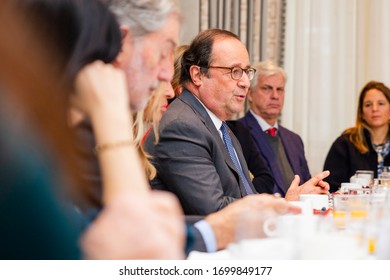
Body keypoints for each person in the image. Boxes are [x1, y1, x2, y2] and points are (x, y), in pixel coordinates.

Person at [145, 29, 330, 215]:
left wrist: (289, 201)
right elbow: (213, 209)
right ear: (198, 75)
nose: (245, 83)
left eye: (246, 72)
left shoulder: (220, 126)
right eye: (234, 71)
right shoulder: (183, 126)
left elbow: (246, 196)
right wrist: (282, 206)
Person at [239, 60, 312, 197]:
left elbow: (306, 184)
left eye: (280, 89)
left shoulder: (294, 139)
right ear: (250, 94)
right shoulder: (236, 133)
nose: (275, 96)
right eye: (266, 88)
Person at [323, 81, 390, 192]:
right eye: (368, 104)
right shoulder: (344, 144)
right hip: (354, 207)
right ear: (361, 113)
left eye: (381, 103)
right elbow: (329, 187)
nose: (374, 109)